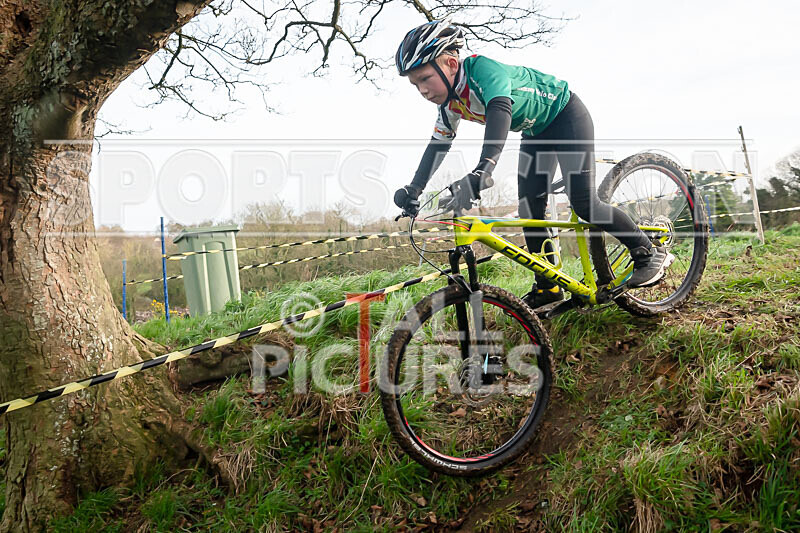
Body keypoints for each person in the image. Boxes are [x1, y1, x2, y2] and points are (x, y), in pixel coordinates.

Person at [392, 20, 674, 309]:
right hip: (536, 131)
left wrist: (484, 169)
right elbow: (438, 145)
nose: (422, 90)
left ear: (451, 63)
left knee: (584, 203)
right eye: (415, 84)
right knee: (530, 208)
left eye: (425, 79)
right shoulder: (449, 104)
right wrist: (414, 189)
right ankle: (549, 285)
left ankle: (647, 252)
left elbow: (500, 111)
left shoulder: (482, 70)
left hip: (566, 116)